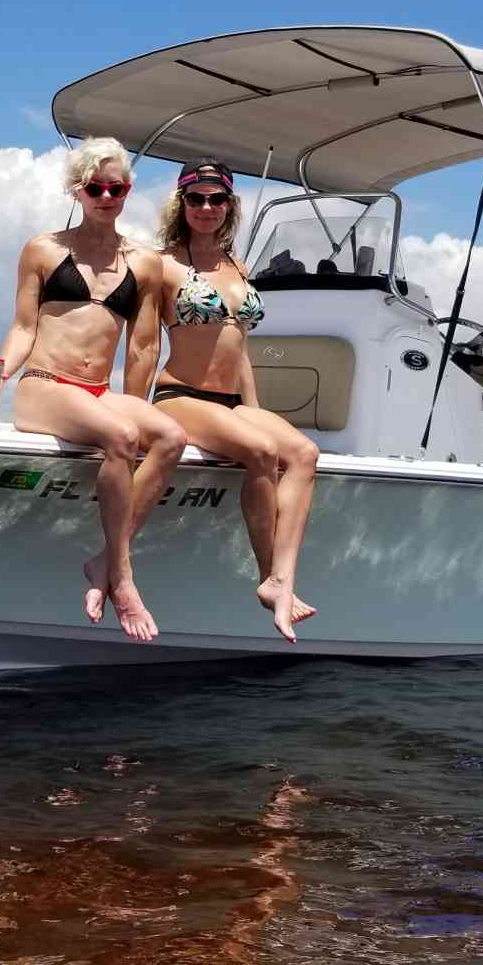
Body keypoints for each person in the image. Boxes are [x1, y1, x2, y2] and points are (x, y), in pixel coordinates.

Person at [0, 137, 185, 642]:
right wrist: (1, 371)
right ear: (78, 191)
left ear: (127, 191)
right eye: (96, 188)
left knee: (169, 437)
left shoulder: (144, 264)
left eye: (117, 187)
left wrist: (134, 405)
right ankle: (122, 578)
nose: (107, 196)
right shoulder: (43, 249)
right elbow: (22, 326)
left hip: (98, 392)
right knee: (122, 438)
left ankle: (103, 559)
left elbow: (144, 347)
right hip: (44, 385)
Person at [152, 159, 319, 643]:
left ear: (230, 205)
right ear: (181, 204)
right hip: (179, 394)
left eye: (217, 198)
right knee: (262, 453)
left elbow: (239, 347)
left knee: (304, 454)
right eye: (196, 198)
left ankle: (282, 578)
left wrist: (253, 409)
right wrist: (133, 410)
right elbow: (142, 344)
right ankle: (268, 575)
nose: (207, 207)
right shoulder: (161, 264)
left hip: (230, 401)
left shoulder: (238, 267)